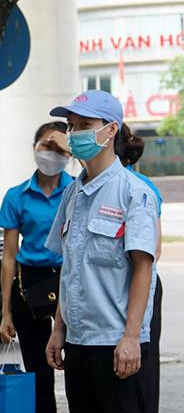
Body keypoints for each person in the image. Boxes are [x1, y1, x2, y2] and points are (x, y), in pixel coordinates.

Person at [43, 90, 159, 413]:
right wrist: (58, 330)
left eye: (84, 124)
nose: (74, 133)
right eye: (71, 125)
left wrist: (132, 337)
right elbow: (69, 270)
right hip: (78, 344)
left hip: (116, 345)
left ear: (110, 130)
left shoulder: (134, 193)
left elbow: (143, 268)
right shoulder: (72, 195)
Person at [0, 122, 73, 413]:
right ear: (34, 148)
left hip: (68, 280)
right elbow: (8, 256)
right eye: (46, 145)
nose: (51, 153)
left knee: (76, 363)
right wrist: (5, 310)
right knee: (39, 371)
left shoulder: (78, 191)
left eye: (58, 148)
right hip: (28, 284)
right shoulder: (16, 196)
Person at [116, 122, 164, 412]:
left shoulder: (140, 188)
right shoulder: (80, 188)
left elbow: (153, 250)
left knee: (139, 368)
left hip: (140, 283)